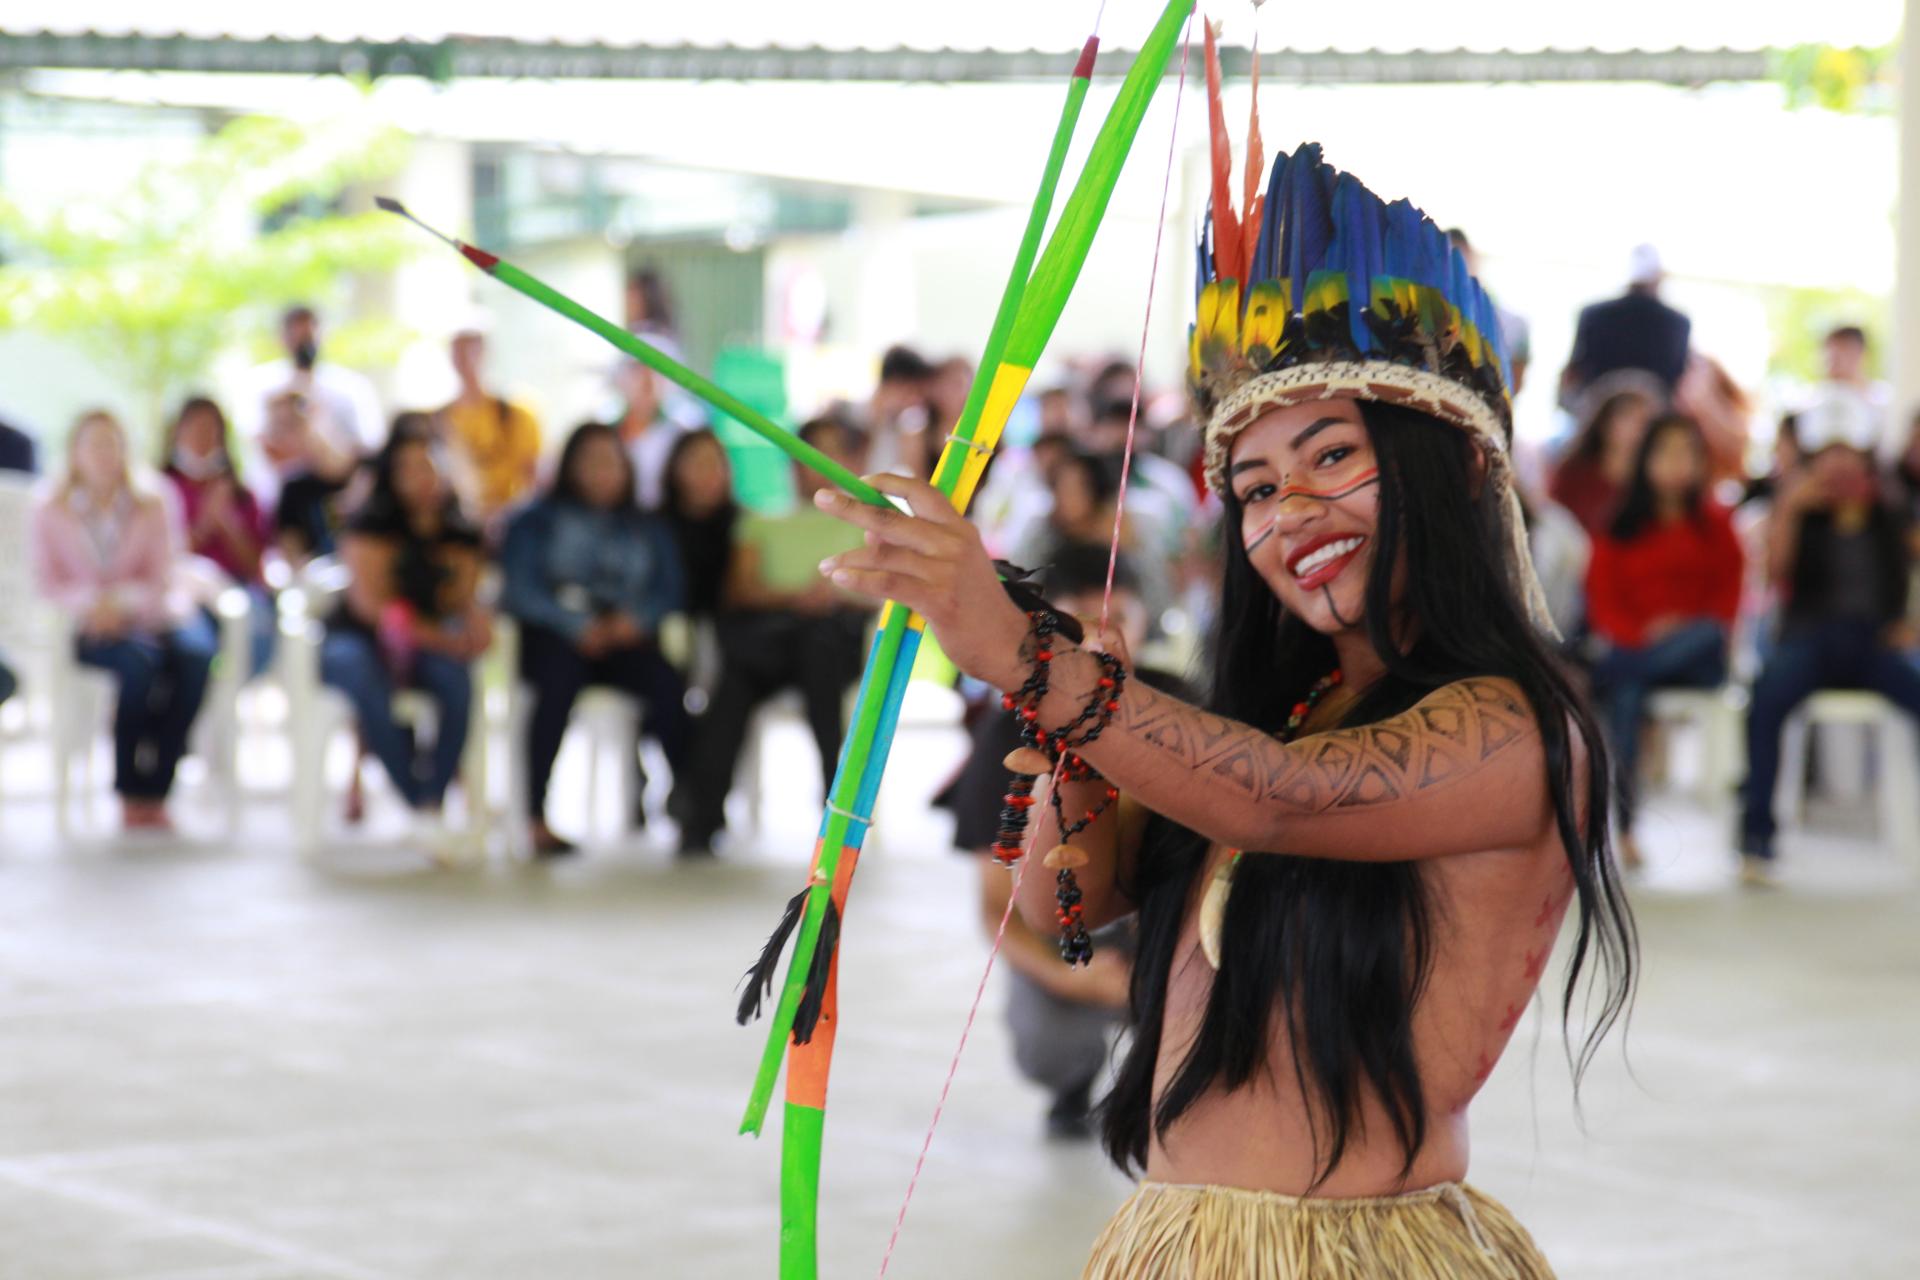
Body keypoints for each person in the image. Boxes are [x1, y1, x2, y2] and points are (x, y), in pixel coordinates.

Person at [812, 140, 1632, 1277]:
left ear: (1453, 471)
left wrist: (1030, 658)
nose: (1289, 508)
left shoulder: (1516, 729)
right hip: (1183, 1234)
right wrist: (1079, 751)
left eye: (1332, 454)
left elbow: (1284, 803)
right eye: (1252, 486)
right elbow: (1071, 896)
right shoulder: (1285, 709)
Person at [942, 546, 1180, 1139]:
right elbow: (997, 908)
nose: (1099, 631)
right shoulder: (1006, 734)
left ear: (1143, 616)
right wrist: (1076, 978)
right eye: (1076, 615)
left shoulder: (1182, 705)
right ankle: (1071, 1084)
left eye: (1117, 611)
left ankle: (1176, 1088)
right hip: (1065, 930)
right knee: (1047, 1042)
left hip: (1160, 930)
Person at [1739, 394, 1920, 883]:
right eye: (1829, 453)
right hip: (1810, 638)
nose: (1839, 464)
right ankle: (1757, 838)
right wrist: (1790, 511)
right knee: (1766, 697)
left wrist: (1907, 623)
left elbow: (1903, 574)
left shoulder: (1889, 509)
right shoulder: (1801, 508)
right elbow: (1774, 575)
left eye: (1848, 453)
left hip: (1875, 642)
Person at [677, 416, 873, 855]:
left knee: (816, 652)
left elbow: (881, 596)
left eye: (829, 451)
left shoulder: (869, 523)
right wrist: (797, 598)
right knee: (735, 680)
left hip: (832, 641)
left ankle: (836, 810)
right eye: (808, 454)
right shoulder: (761, 521)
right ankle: (702, 818)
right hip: (773, 642)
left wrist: (832, 598)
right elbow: (739, 589)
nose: (818, 465)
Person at [500, 423, 692, 857]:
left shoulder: (647, 525)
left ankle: (689, 802)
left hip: (626, 636)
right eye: (591, 462)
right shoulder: (535, 520)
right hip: (556, 638)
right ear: (570, 466)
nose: (603, 473)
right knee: (556, 683)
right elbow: (521, 589)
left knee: (667, 683)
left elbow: (669, 589)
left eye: (611, 462)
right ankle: (535, 816)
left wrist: (635, 620)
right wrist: (576, 625)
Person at [32, 410, 215, 830]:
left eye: (111, 443)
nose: (103, 454)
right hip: (89, 628)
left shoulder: (154, 499)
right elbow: (46, 582)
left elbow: (164, 572)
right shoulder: (49, 508)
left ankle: (158, 786)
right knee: (139, 667)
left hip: (152, 614)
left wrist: (123, 604)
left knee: (195, 659)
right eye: (93, 444)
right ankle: (130, 787)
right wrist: (92, 606)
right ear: (75, 453)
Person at [321, 417, 490, 854]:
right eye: (408, 467)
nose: (420, 477)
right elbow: (373, 610)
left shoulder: (461, 532)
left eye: (427, 465)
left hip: (429, 639)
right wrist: (445, 637)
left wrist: (471, 621)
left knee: (457, 680)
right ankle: (418, 802)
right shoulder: (368, 528)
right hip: (361, 638)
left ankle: (431, 801)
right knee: (361, 673)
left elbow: (460, 596)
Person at [1584, 414, 1743, 866]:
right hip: (1639, 651)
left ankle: (1600, 674)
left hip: (1697, 653)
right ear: (1646, 460)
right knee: (1628, 693)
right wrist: (1642, 636)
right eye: (1666, 451)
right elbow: (1604, 602)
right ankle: (1629, 829)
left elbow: (1728, 600)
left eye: (1686, 452)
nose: (1677, 463)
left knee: (1696, 638)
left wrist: (1676, 629)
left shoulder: (1716, 524)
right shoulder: (1618, 526)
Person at [161, 396, 277, 674]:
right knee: (193, 641)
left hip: (237, 587)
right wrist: (203, 525)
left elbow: (254, 565)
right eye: (194, 429)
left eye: (210, 430)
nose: (202, 439)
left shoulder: (242, 494)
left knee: (256, 625)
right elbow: (163, 555)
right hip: (182, 588)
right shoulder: (161, 490)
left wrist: (226, 522)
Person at [234, 304, 383, 507]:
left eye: (309, 336)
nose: (304, 344)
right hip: (273, 503)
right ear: (282, 337)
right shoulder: (260, 386)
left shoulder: (350, 388)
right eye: (296, 335)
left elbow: (364, 450)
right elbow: (262, 443)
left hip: (336, 500)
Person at [437, 320, 542, 524]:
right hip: (459, 524)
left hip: (511, 522)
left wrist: (506, 514)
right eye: (458, 349)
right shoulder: (439, 420)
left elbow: (532, 478)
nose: (464, 357)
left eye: (471, 347)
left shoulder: (518, 414)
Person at [1559, 244, 1691, 407]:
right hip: (1646, 417)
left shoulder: (1593, 314)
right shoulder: (1678, 323)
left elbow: (1574, 371)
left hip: (1596, 413)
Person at [1548, 384, 1659, 536]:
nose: (1637, 429)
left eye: (1645, 422)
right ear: (1605, 422)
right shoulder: (1573, 474)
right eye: (1628, 417)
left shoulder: (1655, 483)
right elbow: (1553, 520)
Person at [661, 429, 739, 624]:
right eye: (699, 463)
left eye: (716, 462)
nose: (710, 472)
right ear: (675, 468)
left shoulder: (744, 524)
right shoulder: (654, 527)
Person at [614, 360, 685, 511]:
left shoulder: (680, 436)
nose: (647, 381)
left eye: (655, 373)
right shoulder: (606, 435)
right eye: (637, 372)